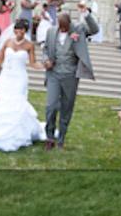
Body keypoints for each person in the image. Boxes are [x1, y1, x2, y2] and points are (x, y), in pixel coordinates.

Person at [0, 20, 47, 152]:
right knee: (3, 102)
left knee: (17, 104)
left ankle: (17, 134)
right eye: (17, 29)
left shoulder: (29, 45)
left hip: (19, 78)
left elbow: (32, 63)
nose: (19, 31)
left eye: (22, 29)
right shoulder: (7, 42)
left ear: (26, 31)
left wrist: (44, 67)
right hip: (6, 77)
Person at [40, 10, 99, 150]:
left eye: (65, 27)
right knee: (51, 106)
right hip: (54, 74)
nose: (63, 30)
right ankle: (49, 137)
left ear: (70, 23)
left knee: (67, 107)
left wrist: (86, 14)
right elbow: (46, 50)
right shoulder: (51, 32)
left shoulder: (79, 29)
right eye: (61, 27)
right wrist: (45, 60)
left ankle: (61, 139)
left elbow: (94, 30)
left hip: (70, 76)